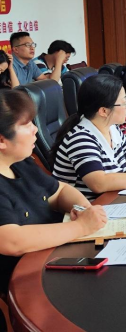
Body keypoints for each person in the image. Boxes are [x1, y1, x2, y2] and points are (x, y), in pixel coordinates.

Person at [0, 90, 107, 294]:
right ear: (2, 140)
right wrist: (81, 226)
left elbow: (59, 191)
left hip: (60, 255)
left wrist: (84, 210)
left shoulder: (21, 162)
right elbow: (11, 241)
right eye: (27, 125)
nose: (35, 129)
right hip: (31, 279)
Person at [51, 74, 126, 198]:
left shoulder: (112, 128)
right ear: (104, 111)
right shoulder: (80, 138)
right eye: (123, 103)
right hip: (92, 205)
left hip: (114, 198)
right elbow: (99, 183)